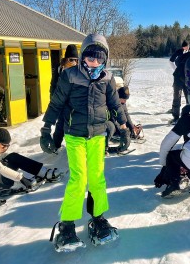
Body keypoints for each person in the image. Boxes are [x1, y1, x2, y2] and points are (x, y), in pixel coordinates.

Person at [40, 34, 130, 252]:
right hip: (75, 135)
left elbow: (114, 104)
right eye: (90, 58)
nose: (94, 63)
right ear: (82, 57)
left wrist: (124, 127)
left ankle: (98, 218)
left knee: (97, 179)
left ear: (105, 60)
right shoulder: (70, 75)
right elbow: (56, 103)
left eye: (99, 59)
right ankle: (67, 225)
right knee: (79, 180)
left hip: (98, 134)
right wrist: (46, 129)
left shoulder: (107, 78)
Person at [0, 128, 61, 199]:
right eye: (4, 146)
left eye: (8, 146)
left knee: (13, 157)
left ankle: (43, 172)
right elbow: (0, 168)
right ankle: (16, 184)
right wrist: (21, 178)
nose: (5, 148)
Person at [49, 44, 79, 151]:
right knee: (60, 124)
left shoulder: (79, 70)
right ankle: (55, 146)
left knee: (74, 125)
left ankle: (74, 147)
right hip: (61, 102)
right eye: (71, 59)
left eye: (75, 59)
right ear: (66, 59)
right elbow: (53, 85)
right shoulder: (59, 69)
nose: (73, 62)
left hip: (74, 103)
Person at [106, 86, 143, 153]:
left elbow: (126, 115)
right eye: (124, 99)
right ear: (118, 97)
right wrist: (122, 132)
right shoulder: (111, 102)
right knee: (112, 127)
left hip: (117, 122)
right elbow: (112, 119)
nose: (125, 101)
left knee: (127, 128)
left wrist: (132, 128)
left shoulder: (122, 103)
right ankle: (105, 146)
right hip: (107, 122)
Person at [168, 40, 190, 124]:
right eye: (185, 46)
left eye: (187, 46)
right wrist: (176, 69)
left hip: (187, 78)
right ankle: (175, 116)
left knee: (188, 97)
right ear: (182, 46)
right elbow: (171, 61)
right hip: (178, 77)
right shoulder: (178, 52)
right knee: (177, 96)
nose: (186, 47)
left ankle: (189, 115)